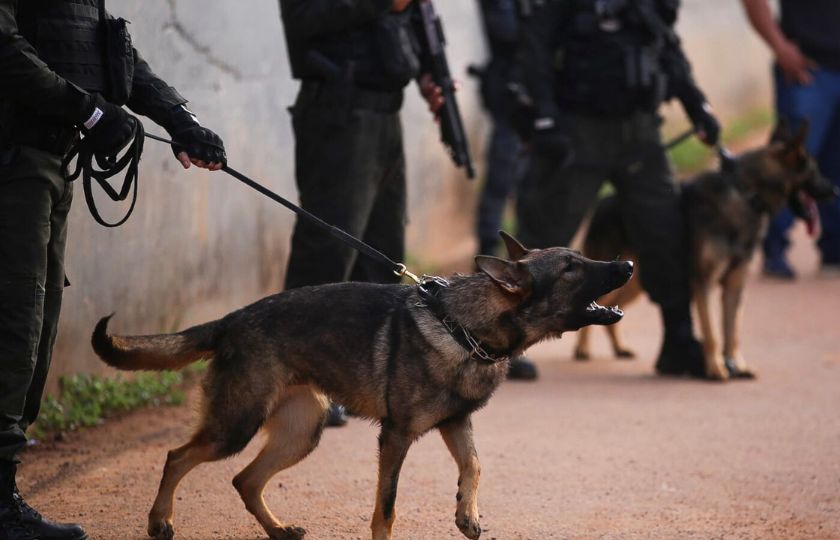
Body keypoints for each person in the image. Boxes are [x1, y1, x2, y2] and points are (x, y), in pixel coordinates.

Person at [0, 1, 226, 538]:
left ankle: (5, 491)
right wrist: (91, 112)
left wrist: (179, 118)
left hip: (50, 163)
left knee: (37, 323)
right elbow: (6, 50)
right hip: (13, 161)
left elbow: (109, 52)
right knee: (12, 323)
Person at [514, 0, 721, 377]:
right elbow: (535, 48)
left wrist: (697, 104)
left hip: (640, 131)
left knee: (665, 232)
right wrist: (544, 115)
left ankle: (678, 339)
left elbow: (667, 48)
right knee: (545, 234)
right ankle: (505, 342)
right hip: (579, 129)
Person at [278, 0, 458, 424]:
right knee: (328, 248)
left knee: (382, 252)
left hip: (384, 113)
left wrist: (428, 74)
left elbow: (405, 21)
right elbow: (303, 19)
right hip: (338, 111)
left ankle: (352, 382)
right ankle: (293, 380)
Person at [741, 0, 840, 279]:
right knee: (789, 164)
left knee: (838, 167)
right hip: (810, 72)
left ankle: (836, 251)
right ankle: (774, 248)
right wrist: (780, 48)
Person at [473, 0, 539, 381]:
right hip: (512, 97)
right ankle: (486, 294)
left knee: (531, 198)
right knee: (499, 192)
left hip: (542, 97)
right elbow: (508, 33)